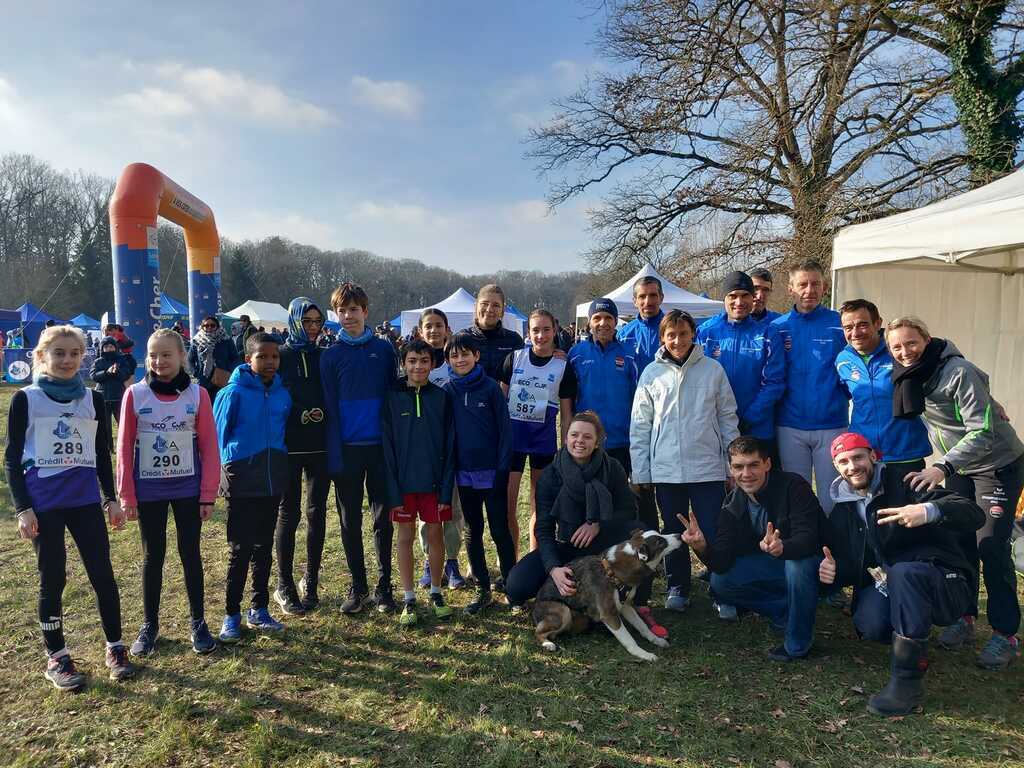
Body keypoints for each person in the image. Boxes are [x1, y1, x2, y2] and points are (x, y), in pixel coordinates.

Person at [888, 316, 1024, 670]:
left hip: (996, 464)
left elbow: (982, 430)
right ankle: (964, 616)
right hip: (960, 468)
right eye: (897, 346)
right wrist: (990, 399)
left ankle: (1005, 634)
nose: (905, 351)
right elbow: (984, 381)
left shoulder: (957, 371)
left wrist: (942, 467)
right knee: (959, 542)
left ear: (927, 340)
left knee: (990, 545)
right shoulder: (910, 374)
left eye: (911, 343)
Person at [5, 325, 134, 689]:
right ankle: (57, 657)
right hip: (44, 504)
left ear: (83, 357)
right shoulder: (25, 399)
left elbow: (101, 454)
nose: (67, 360)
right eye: (58, 353)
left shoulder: (93, 398)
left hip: (84, 501)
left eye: (74, 353)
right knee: (53, 578)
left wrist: (110, 499)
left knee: (102, 574)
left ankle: (115, 648)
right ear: (41, 356)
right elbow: (12, 458)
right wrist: (22, 508)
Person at [823, 432, 984, 715]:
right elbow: (854, 564)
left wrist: (928, 510)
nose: (852, 467)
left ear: (873, 456)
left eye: (858, 457)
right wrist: (832, 571)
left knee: (905, 572)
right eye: (844, 462)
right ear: (836, 467)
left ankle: (907, 683)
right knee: (871, 624)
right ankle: (911, 637)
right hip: (892, 582)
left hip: (943, 581)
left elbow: (973, 513)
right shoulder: (843, 508)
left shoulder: (907, 483)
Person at [116, 329, 219, 656]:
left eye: (166, 355)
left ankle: (198, 622)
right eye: (153, 355)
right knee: (153, 556)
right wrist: (127, 495)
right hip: (149, 491)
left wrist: (208, 493)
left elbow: (209, 447)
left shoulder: (198, 395)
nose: (159, 361)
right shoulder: (135, 394)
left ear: (181, 357)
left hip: (188, 488)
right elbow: (123, 448)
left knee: (190, 553)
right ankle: (150, 624)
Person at [568, 298, 665, 637]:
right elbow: (568, 399)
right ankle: (599, 582)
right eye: (597, 318)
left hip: (625, 444)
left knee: (635, 508)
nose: (603, 323)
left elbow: (643, 399)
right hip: (591, 446)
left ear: (616, 322)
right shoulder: (576, 354)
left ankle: (643, 581)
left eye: (608, 318)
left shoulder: (631, 355)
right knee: (593, 509)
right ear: (590, 322)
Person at [631, 309, 739, 612]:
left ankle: (721, 588)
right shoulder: (651, 373)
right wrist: (641, 471)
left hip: (707, 467)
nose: (677, 340)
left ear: (693, 334)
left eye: (683, 334)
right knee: (672, 532)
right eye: (671, 335)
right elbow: (640, 424)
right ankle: (678, 586)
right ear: (662, 338)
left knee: (712, 529)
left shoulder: (713, 370)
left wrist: (732, 465)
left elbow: (727, 418)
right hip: (667, 470)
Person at [678, 436, 822, 662]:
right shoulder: (731, 504)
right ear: (730, 469)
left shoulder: (793, 486)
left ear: (767, 464)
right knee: (720, 582)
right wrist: (702, 547)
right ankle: (785, 611)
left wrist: (784, 547)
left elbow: (809, 537)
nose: (746, 474)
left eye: (753, 465)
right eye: (738, 467)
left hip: (814, 562)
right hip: (772, 563)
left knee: (796, 566)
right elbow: (721, 563)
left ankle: (797, 643)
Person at [505, 411, 643, 605]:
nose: (579, 441)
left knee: (640, 529)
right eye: (574, 435)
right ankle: (559, 583)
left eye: (587, 437)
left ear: (597, 442)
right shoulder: (550, 475)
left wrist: (597, 524)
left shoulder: (612, 468)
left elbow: (629, 511)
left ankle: (633, 595)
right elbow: (543, 528)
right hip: (566, 544)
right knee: (516, 586)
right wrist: (553, 568)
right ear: (566, 438)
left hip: (603, 543)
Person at [321, 283, 399, 614]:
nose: (348, 316)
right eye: (342, 310)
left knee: (383, 521)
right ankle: (359, 586)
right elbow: (329, 407)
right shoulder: (330, 356)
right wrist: (335, 454)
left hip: (379, 449)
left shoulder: (384, 350)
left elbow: (393, 398)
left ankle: (384, 586)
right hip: (347, 451)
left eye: (354, 309)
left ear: (365, 312)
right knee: (349, 521)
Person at [214, 333, 292, 642]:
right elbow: (218, 438)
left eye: (275, 356)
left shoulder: (283, 393)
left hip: (272, 479)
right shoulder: (232, 393)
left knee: (263, 548)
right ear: (249, 359)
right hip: (241, 480)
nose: (270, 361)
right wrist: (219, 476)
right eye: (263, 356)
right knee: (240, 549)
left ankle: (259, 608)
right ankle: (231, 615)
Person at [383, 339, 457, 625]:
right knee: (405, 537)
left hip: (434, 484)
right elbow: (387, 447)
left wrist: (446, 489)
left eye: (424, 361)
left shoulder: (442, 397)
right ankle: (409, 597)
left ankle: (436, 592)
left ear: (433, 364)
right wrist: (392, 490)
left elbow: (450, 446)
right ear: (403, 363)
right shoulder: (391, 397)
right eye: (412, 361)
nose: (418, 366)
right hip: (403, 485)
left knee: (436, 536)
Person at [444, 330, 516, 614]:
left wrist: (502, 468)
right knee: (472, 530)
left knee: (499, 529)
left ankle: (511, 585)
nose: (460, 359)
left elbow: (505, 431)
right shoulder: (448, 391)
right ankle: (482, 587)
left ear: (476, 356)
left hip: (493, 472)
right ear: (448, 360)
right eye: (454, 355)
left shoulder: (490, 389)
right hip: (464, 474)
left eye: (465, 354)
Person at [769, 260, 848, 512]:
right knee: (797, 496)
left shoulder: (840, 324)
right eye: (803, 284)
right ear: (791, 288)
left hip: (831, 423)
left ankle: (833, 538)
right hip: (790, 425)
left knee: (831, 496)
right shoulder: (778, 327)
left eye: (815, 284)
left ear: (825, 287)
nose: (809, 290)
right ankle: (802, 538)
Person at [499, 308, 576, 557]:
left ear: (555, 331)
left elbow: (566, 415)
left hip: (542, 443)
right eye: (535, 330)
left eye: (546, 330)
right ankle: (510, 561)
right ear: (528, 332)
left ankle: (535, 559)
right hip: (513, 443)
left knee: (539, 508)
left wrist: (566, 450)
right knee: (508, 507)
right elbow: (499, 404)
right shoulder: (514, 359)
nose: (541, 336)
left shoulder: (563, 367)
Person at [273, 298, 332, 616]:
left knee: (316, 512)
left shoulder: (324, 354)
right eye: (307, 321)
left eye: (317, 321)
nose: (312, 327)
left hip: (320, 444)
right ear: (294, 320)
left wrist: (323, 412)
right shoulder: (280, 355)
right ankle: (283, 584)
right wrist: (299, 413)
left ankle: (311, 580)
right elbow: (275, 394)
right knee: (289, 513)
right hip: (289, 445)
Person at [696, 271, 785, 465]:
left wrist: (750, 417)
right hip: (716, 427)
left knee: (757, 480)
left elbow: (774, 382)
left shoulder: (768, 333)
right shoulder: (706, 332)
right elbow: (697, 379)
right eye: (733, 296)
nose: (739, 302)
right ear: (724, 298)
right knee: (722, 481)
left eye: (745, 295)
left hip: (757, 428)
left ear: (753, 298)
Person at [836, 300, 930, 472]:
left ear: (878, 323)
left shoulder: (898, 351)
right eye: (848, 327)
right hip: (864, 454)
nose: (855, 333)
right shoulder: (843, 359)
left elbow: (938, 365)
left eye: (863, 325)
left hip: (905, 453)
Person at [417, 308, 467, 588]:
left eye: (439, 325)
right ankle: (429, 560)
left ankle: (452, 561)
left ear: (447, 329)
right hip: (426, 448)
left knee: (454, 507)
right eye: (429, 326)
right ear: (420, 331)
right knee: (427, 509)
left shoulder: (455, 361)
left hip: (455, 445)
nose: (434, 331)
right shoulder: (417, 363)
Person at [466, 284, 525, 380]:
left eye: (496, 305)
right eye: (485, 303)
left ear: (502, 311)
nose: (489, 309)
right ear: (476, 306)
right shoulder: (463, 339)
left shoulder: (514, 340)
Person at [90, 335, 138, 451]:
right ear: (102, 348)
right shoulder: (98, 361)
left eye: (111, 346)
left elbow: (126, 374)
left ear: (115, 347)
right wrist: (106, 373)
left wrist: (116, 372)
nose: (109, 348)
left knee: (123, 423)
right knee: (105, 426)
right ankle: (109, 448)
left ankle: (125, 446)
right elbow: (93, 376)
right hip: (103, 398)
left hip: (119, 397)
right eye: (106, 347)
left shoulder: (121, 360)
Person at [618, 275, 665, 373]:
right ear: (635, 301)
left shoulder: (675, 330)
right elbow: (618, 371)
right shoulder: (623, 335)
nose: (648, 302)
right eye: (642, 296)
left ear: (661, 298)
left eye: (653, 295)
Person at [188, 316, 238, 403]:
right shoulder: (197, 341)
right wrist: (195, 373)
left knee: (221, 404)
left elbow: (235, 358)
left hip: (222, 379)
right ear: (202, 327)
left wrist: (229, 371)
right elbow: (189, 360)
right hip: (203, 380)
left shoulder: (226, 340)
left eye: (212, 325)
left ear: (217, 327)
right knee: (204, 405)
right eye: (206, 326)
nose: (209, 328)